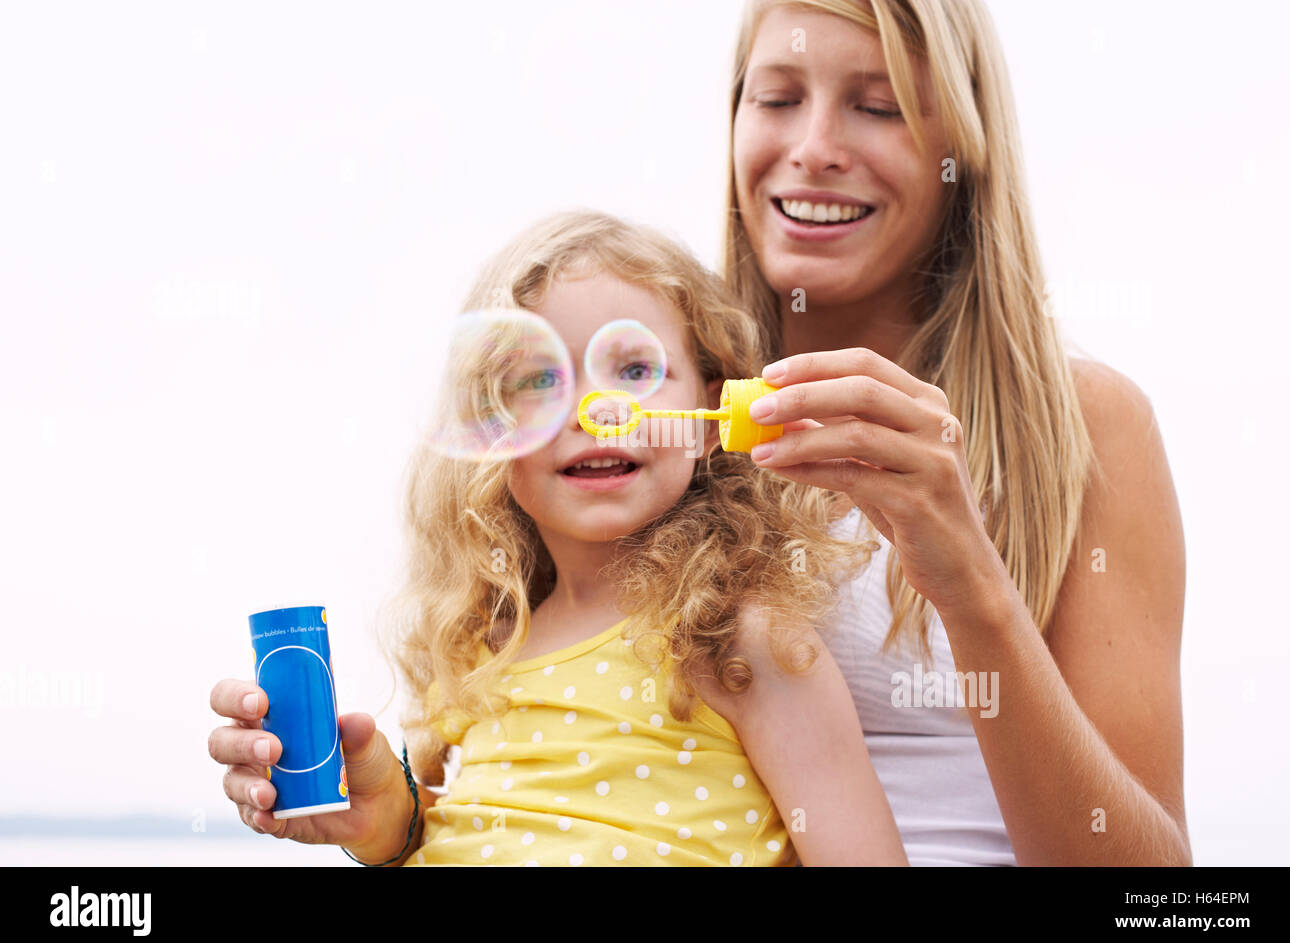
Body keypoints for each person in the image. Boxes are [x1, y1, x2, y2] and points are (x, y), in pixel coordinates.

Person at [210, 209, 907, 866]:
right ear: (487, 433)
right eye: (538, 380)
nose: (591, 408)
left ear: (710, 411)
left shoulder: (738, 640)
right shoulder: (481, 643)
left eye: (634, 370)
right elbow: (454, 830)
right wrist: (377, 821)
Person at [720, 0, 1190, 864]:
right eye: (779, 97)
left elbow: (1156, 893)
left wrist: (970, 583)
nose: (816, 145)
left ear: (962, 152)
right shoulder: (656, 425)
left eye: (879, 105)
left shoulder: (1086, 428)